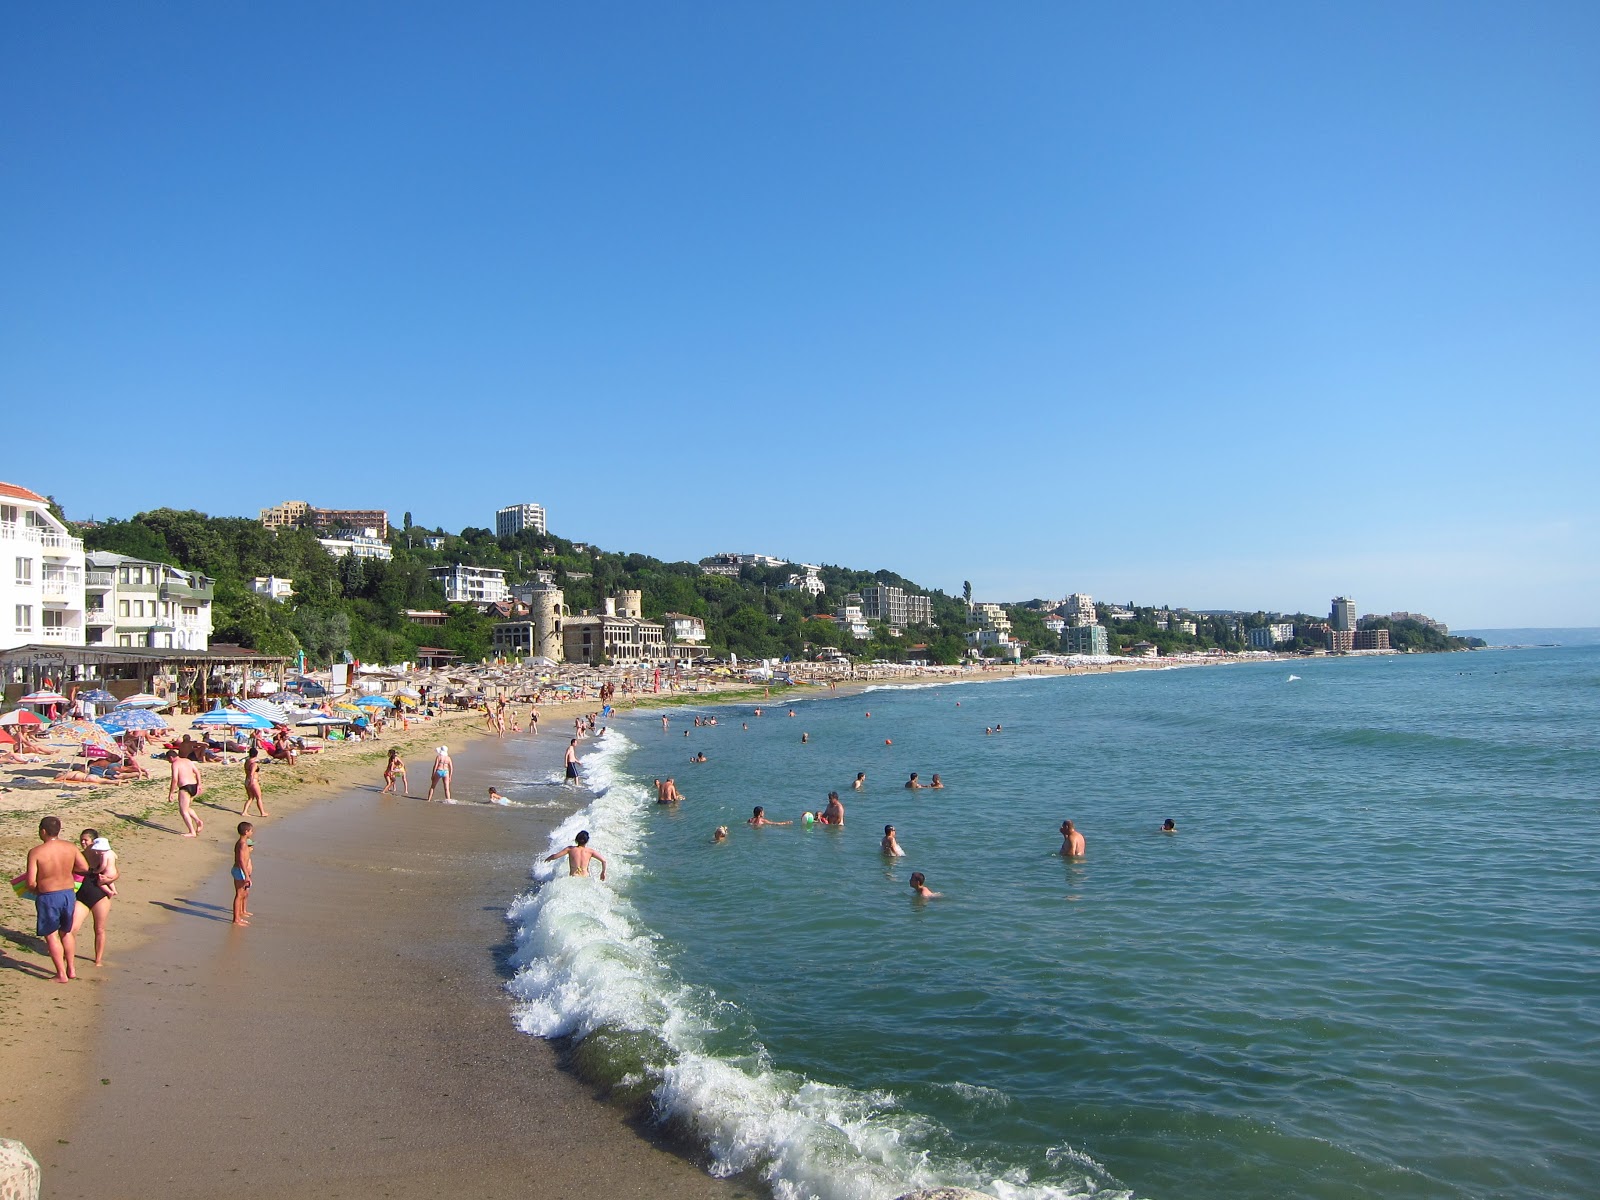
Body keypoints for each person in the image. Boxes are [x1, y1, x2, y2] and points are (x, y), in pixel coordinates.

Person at [25, 816, 88, 982]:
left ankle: (61, 974)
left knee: (51, 935)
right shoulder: (71, 847)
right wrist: (66, 869)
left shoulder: (36, 852)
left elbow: (31, 881)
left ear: (43, 831)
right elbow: (84, 867)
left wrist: (34, 890)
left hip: (49, 896)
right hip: (68, 893)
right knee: (66, 932)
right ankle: (71, 969)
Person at [71, 830, 117, 967]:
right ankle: (68, 955)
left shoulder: (103, 855)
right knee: (72, 928)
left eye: (86, 840)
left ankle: (98, 960)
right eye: (81, 840)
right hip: (82, 896)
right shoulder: (79, 856)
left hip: (100, 897)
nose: (83, 842)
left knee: (99, 929)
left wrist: (110, 879)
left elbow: (115, 873)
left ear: (94, 841)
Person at [167, 749, 205, 837]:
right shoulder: (187, 761)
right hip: (194, 786)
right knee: (186, 807)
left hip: (185, 787)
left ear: (171, 757)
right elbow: (197, 772)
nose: (169, 762)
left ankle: (192, 832)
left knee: (183, 811)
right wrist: (199, 784)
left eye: (168, 760)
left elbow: (175, 779)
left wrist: (171, 793)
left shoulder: (175, 764)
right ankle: (198, 821)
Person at [232, 821, 254, 925]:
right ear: (246, 832)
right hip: (239, 870)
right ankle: (236, 919)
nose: (252, 832)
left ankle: (240, 913)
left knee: (243, 893)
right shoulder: (242, 844)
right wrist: (246, 875)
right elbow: (241, 860)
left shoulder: (243, 843)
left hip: (241, 870)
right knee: (239, 894)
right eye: (251, 831)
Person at [241, 747, 269, 817]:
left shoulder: (247, 761)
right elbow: (251, 773)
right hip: (253, 781)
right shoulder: (254, 764)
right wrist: (251, 781)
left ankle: (244, 812)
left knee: (250, 797)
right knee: (258, 797)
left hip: (247, 780)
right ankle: (262, 812)